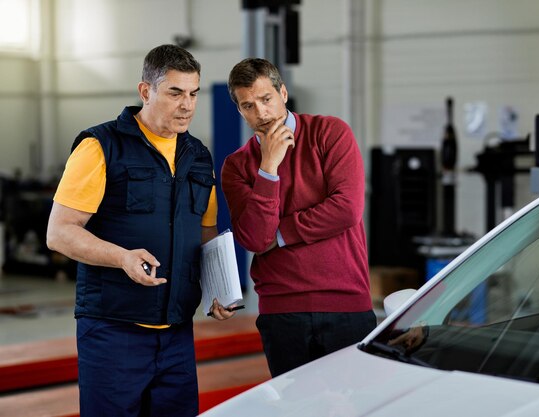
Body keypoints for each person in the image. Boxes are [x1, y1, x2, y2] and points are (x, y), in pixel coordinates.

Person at [46, 44, 236, 417]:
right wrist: (122, 258)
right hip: (114, 331)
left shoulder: (198, 155)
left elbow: (206, 229)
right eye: (175, 92)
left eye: (194, 93)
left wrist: (219, 289)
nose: (188, 105)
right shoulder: (100, 146)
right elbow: (60, 232)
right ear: (146, 91)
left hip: (177, 332)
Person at [222, 58, 377, 377]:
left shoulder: (330, 132)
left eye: (266, 99)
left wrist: (279, 235)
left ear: (283, 93)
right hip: (282, 311)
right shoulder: (237, 166)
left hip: (345, 303)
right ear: (239, 110)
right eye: (248, 105)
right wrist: (268, 167)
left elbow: (346, 209)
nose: (261, 113)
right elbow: (253, 239)